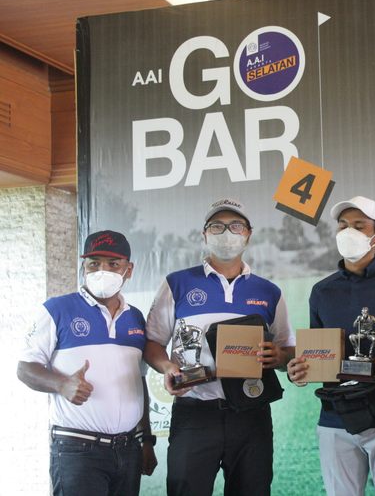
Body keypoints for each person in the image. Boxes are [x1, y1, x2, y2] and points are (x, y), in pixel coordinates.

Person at [144, 198, 295, 496]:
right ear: (204, 234)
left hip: (252, 415)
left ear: (248, 234)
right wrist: (168, 367)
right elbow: (152, 343)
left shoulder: (269, 291)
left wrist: (279, 356)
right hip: (195, 413)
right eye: (217, 226)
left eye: (235, 226)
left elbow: (287, 350)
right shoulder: (177, 283)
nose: (226, 233)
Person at [286, 195, 375, 496]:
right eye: (343, 225)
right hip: (334, 420)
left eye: (359, 225)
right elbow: (318, 355)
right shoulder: (321, 291)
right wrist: (299, 370)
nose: (348, 231)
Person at [17, 230, 157, 496]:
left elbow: (139, 381)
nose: (102, 271)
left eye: (113, 264)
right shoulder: (57, 309)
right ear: (84, 267)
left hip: (128, 448)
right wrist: (61, 384)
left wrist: (146, 440)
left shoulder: (136, 318)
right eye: (94, 264)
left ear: (128, 270)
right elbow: (25, 368)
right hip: (77, 449)